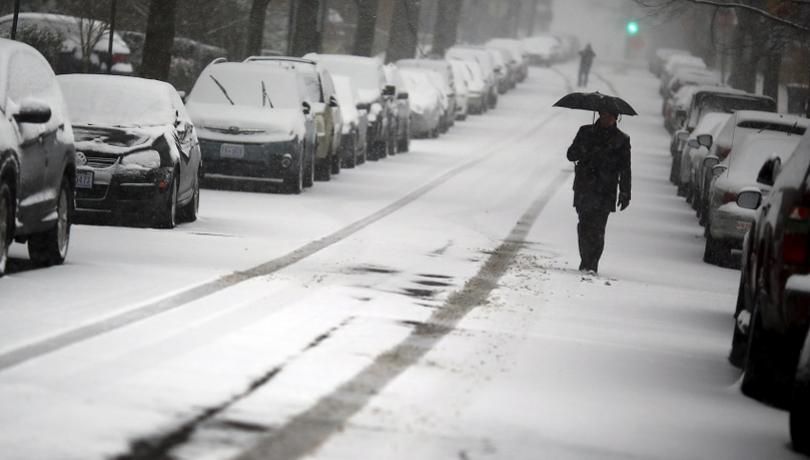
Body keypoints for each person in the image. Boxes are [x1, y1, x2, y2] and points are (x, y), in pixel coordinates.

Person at [566, 109, 631, 274]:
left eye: (609, 116)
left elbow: (625, 169)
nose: (605, 118)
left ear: (616, 118)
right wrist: (583, 148)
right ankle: (585, 259)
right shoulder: (585, 132)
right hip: (584, 187)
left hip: (606, 190)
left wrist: (625, 192)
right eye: (602, 114)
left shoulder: (621, 140)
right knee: (584, 225)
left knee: (598, 228)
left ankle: (592, 263)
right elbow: (570, 155)